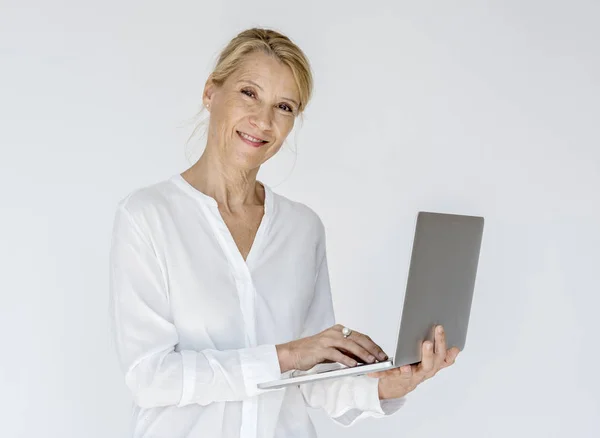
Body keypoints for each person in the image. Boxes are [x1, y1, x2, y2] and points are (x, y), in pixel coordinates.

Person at [108, 27, 460, 438]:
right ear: (210, 92)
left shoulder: (301, 228)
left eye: (284, 106)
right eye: (248, 93)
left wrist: (389, 385)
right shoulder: (148, 216)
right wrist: (287, 355)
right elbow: (150, 378)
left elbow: (315, 379)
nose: (263, 120)